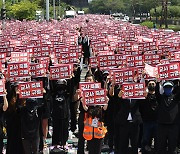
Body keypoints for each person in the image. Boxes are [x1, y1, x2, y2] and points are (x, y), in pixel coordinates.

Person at [155, 80, 180, 154]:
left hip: (173, 125)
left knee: (172, 145)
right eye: (166, 87)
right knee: (161, 145)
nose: (168, 89)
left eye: (169, 87)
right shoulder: (161, 98)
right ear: (163, 88)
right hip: (162, 125)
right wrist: (157, 83)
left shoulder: (176, 98)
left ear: (172, 88)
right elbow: (157, 93)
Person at [75, 73, 94, 154]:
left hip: (93, 115)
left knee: (92, 135)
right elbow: (75, 98)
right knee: (81, 135)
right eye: (87, 80)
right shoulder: (81, 89)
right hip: (83, 114)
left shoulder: (96, 90)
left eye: (90, 80)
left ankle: (90, 150)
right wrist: (77, 94)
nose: (88, 81)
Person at [139, 80, 158, 153]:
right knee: (146, 139)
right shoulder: (144, 96)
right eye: (150, 84)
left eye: (153, 84)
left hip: (157, 121)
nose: (152, 85)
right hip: (147, 121)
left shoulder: (158, 95)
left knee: (157, 139)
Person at [51, 79, 69, 149]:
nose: (60, 87)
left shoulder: (66, 94)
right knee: (55, 130)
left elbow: (71, 87)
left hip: (65, 114)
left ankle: (64, 143)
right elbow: (51, 88)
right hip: (56, 114)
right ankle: (55, 143)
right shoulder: (54, 93)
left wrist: (71, 78)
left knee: (64, 129)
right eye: (59, 85)